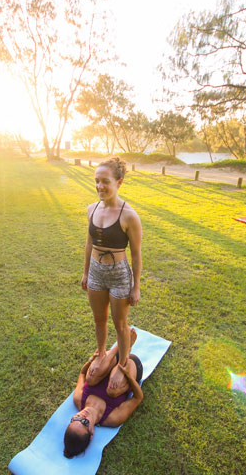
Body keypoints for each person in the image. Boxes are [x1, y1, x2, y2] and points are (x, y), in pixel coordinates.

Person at [81, 157, 142, 393]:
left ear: (119, 182)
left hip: (119, 276)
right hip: (96, 272)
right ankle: (102, 352)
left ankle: (123, 364)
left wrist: (135, 287)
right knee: (99, 319)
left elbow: (136, 256)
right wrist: (86, 272)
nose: (99, 187)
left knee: (120, 323)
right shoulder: (91, 209)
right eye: (97, 181)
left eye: (105, 181)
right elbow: (88, 245)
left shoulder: (129, 216)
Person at [64, 329, 143, 458]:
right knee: (112, 390)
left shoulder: (78, 399)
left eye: (76, 418)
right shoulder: (112, 418)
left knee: (90, 378)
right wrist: (129, 377)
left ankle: (119, 345)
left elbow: (83, 374)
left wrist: (92, 360)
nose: (82, 415)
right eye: (84, 423)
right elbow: (138, 398)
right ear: (92, 433)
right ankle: (126, 349)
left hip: (109, 361)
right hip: (130, 367)